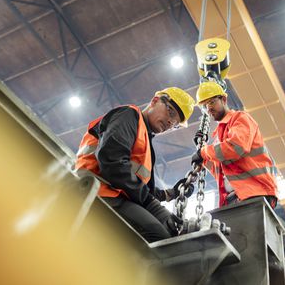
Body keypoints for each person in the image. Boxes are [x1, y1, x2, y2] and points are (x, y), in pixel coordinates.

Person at [74, 87, 195, 242]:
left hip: (118, 195)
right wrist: (149, 202)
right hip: (98, 190)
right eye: (171, 112)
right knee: (158, 235)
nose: (170, 122)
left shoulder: (145, 141)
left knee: (171, 234)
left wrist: (170, 193)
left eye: (176, 123)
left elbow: (142, 190)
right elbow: (111, 160)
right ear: (154, 101)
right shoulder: (128, 115)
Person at [191, 82, 278, 209]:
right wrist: (203, 157)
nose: (208, 109)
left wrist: (204, 152)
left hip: (256, 192)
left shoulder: (240, 118)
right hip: (235, 198)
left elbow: (235, 147)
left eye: (211, 102)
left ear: (224, 99)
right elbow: (220, 171)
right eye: (204, 106)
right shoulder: (219, 136)